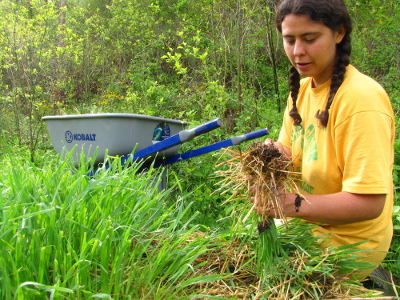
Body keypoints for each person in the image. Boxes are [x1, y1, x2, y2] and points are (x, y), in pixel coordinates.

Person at [264, 0, 395, 280]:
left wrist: (290, 204)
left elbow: (369, 203)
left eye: (310, 39)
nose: (298, 52)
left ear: (339, 33)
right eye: (289, 40)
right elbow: (286, 149)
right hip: (308, 223)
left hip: (349, 243)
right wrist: (268, 158)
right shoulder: (301, 89)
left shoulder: (361, 101)